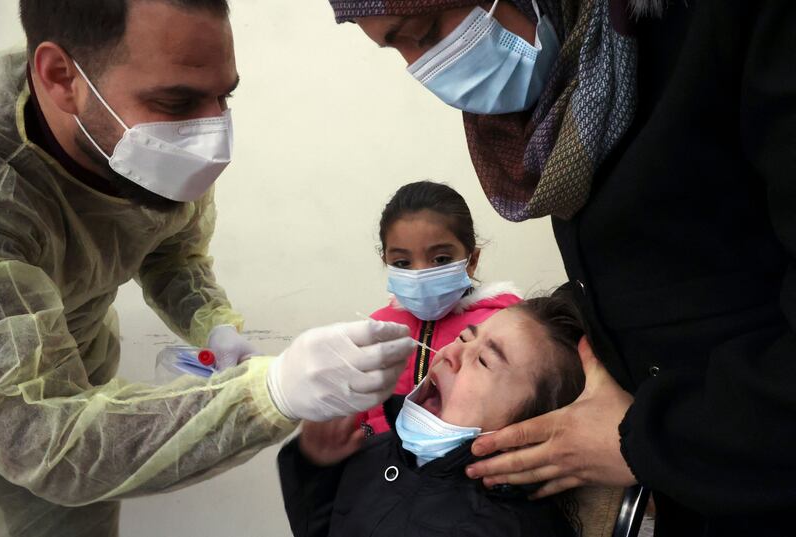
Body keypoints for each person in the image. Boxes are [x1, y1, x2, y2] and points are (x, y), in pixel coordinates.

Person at [326, 0, 796, 535]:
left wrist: (652, 438)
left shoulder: (722, 29)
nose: (425, 67)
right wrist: (317, 461)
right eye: (397, 48)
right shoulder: (572, 93)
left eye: (428, 31)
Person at [0, 1, 415, 535]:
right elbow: (45, 440)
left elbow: (170, 246)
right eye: (177, 101)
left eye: (225, 96)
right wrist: (271, 394)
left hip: (75, 369)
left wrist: (210, 320)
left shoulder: (135, 135)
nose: (211, 135)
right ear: (61, 77)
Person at [278, 295, 585, 537]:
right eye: (464, 338)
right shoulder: (375, 453)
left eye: (483, 360)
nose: (449, 353)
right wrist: (316, 467)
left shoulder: (507, 528)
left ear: (531, 431)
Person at [360, 180, 521, 434]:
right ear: (386, 262)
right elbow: (357, 412)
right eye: (402, 262)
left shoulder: (506, 327)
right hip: (383, 466)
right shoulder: (376, 330)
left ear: (471, 260)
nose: (421, 273)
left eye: (441, 259)